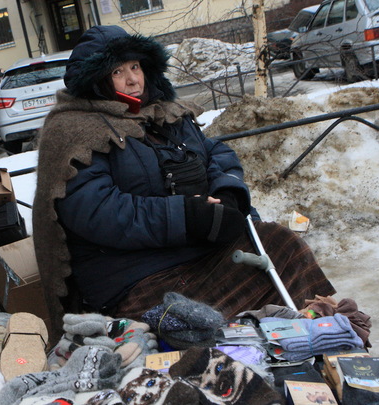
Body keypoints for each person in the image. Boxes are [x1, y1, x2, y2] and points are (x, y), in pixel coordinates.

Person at [32, 25, 335, 339]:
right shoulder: (73, 130)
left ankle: (317, 340)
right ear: (95, 82)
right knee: (192, 326)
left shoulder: (165, 113)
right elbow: (97, 211)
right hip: (136, 277)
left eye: (135, 66)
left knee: (281, 244)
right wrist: (187, 216)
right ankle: (262, 346)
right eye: (118, 72)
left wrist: (228, 194)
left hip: (199, 255)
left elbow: (213, 150)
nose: (133, 79)